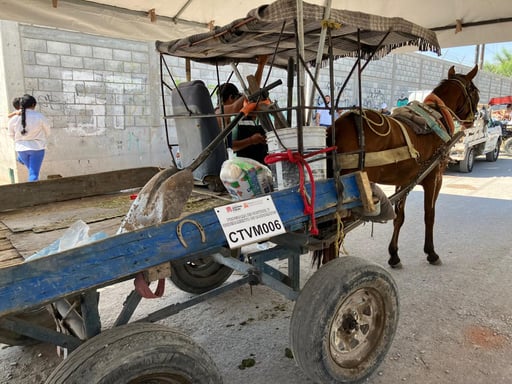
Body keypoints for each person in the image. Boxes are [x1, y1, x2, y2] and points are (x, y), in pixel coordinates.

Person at [216, 56, 268, 164]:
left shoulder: (226, 118)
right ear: (231, 97)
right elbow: (251, 92)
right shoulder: (220, 112)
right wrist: (261, 65)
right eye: (237, 99)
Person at [8, 94, 51, 182]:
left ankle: (20, 158)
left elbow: (10, 134)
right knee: (34, 175)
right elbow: (48, 131)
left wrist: (21, 140)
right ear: (33, 105)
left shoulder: (13, 119)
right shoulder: (39, 116)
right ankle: (33, 194)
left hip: (21, 149)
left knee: (32, 171)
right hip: (37, 148)